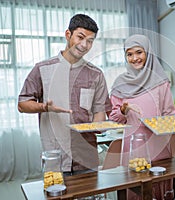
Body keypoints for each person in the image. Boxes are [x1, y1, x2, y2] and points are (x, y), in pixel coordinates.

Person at [18, 14, 112, 175]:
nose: (84, 45)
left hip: (86, 156)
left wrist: (99, 125)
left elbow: (99, 111)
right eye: (80, 37)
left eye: (90, 41)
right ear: (68, 34)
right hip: (55, 156)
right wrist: (44, 107)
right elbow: (22, 104)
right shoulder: (43, 69)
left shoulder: (96, 74)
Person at [109, 34, 175, 200]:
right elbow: (113, 116)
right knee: (135, 185)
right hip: (133, 144)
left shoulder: (161, 82)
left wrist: (168, 126)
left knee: (158, 184)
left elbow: (170, 113)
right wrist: (123, 111)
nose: (135, 58)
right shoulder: (120, 83)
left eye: (139, 52)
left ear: (148, 53)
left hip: (158, 143)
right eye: (129, 54)